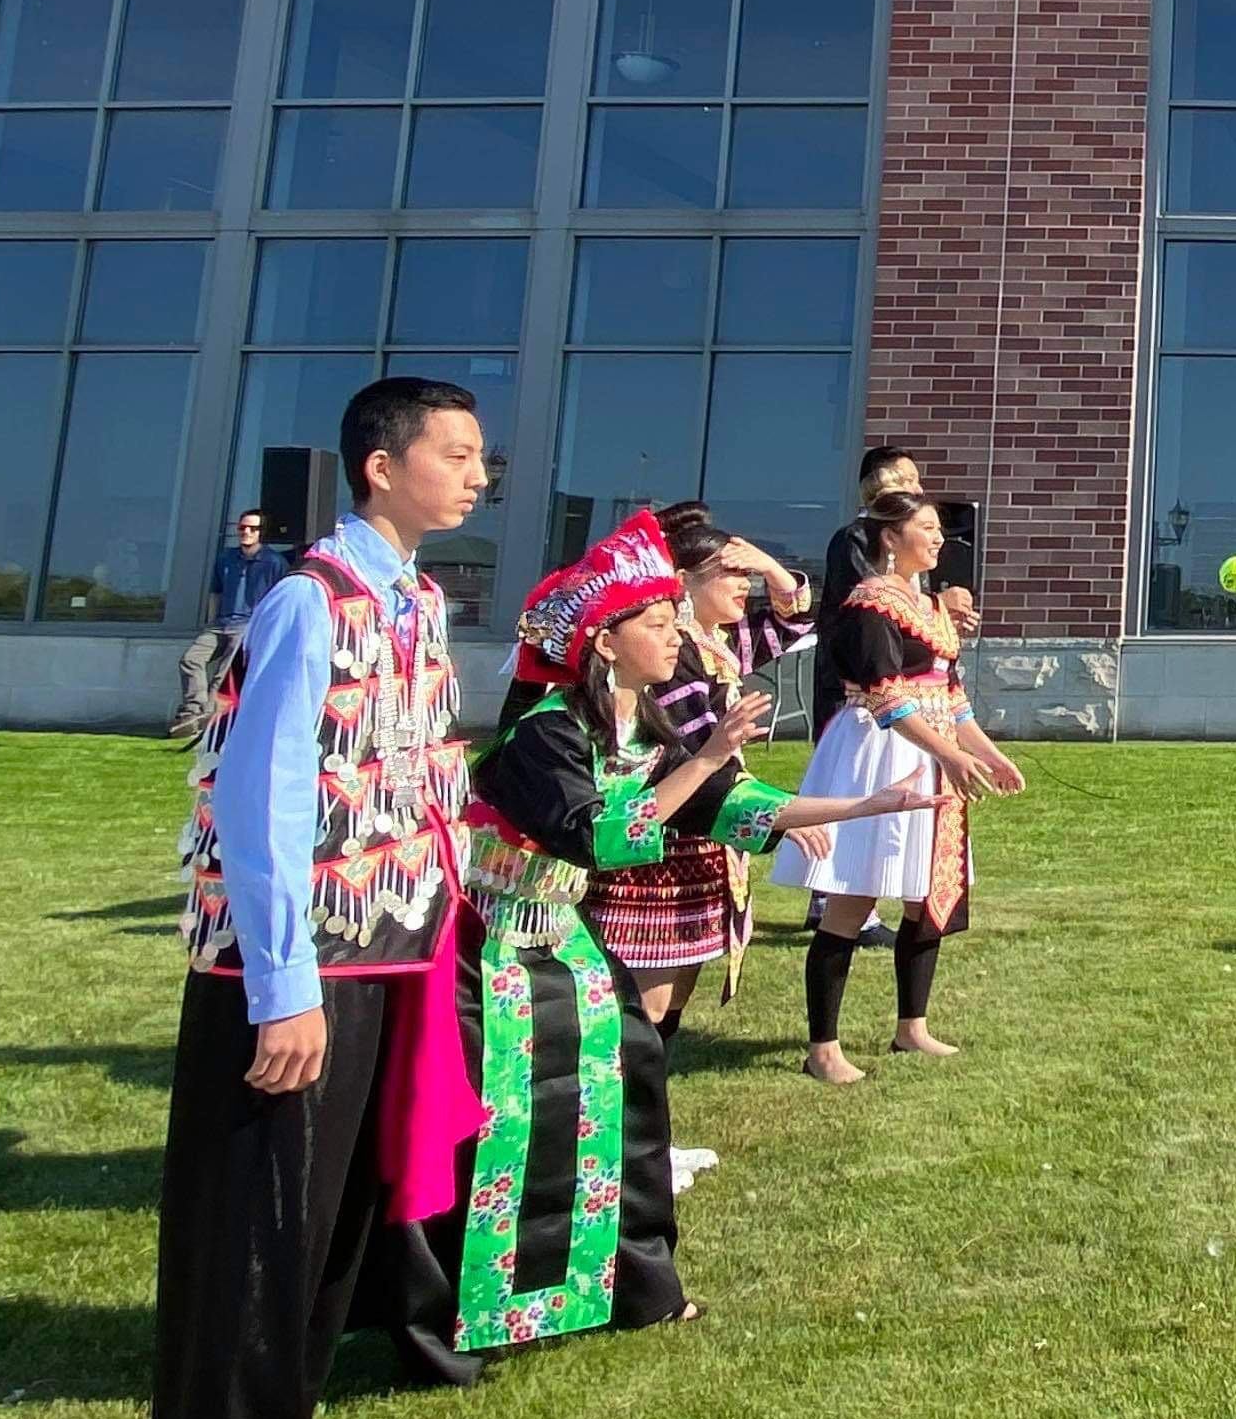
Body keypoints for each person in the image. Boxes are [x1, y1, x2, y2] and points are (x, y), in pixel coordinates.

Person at [392, 512, 928, 1368]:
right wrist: (709, 750)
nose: (675, 631)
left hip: (560, 940)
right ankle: (462, 1322)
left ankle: (635, 1291)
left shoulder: (645, 731)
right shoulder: (544, 735)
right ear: (604, 644)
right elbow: (599, 836)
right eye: (655, 623)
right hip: (480, 953)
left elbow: (732, 809)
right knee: (490, 1119)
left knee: (629, 1084)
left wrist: (867, 809)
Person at [123, 378, 485, 1419]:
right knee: (256, 1241)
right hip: (300, 970)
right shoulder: (305, 601)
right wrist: (284, 987)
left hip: (386, 957)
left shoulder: (419, 600)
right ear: (380, 468)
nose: (477, 473)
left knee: (326, 1242)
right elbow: (260, 797)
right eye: (455, 453)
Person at [777, 490, 1027, 1082]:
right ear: (891, 538)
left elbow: (952, 696)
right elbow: (887, 696)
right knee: (854, 898)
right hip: (879, 752)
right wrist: (947, 752)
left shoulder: (934, 607)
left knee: (925, 895)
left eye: (940, 529)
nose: (939, 539)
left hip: (934, 750)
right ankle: (823, 1047)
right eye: (926, 528)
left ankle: (911, 1027)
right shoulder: (870, 603)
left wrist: (987, 755)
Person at [588, 502, 820, 1035]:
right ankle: (629, 1102)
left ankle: (648, 1092)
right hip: (669, 833)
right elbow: (690, 748)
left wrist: (768, 564)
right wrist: (775, 815)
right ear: (684, 580)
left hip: (707, 832)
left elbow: (798, 620)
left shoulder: (719, 641)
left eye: (746, 574)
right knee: (648, 994)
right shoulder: (672, 651)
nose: (745, 585)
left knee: (677, 987)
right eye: (731, 573)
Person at [168, 510, 288, 743]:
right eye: (242, 528)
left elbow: (279, 600)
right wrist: (211, 621)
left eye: (252, 529)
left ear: (262, 533)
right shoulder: (226, 558)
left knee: (223, 674)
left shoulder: (275, 563)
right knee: (190, 659)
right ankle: (194, 711)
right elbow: (216, 592)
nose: (246, 532)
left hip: (248, 625)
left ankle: (210, 722)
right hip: (220, 623)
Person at [854, 444, 979, 636]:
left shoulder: (913, 552)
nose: (919, 490)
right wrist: (937, 603)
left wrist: (944, 624)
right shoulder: (856, 537)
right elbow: (867, 607)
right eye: (909, 480)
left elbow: (910, 634)